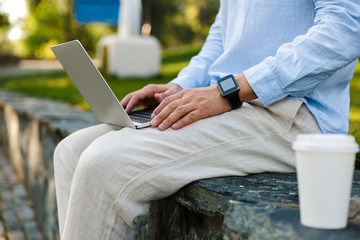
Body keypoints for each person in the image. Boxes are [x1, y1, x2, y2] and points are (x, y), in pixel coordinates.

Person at [54, 0, 360, 239]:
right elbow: (223, 37)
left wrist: (230, 91)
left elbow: (346, 30)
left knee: (104, 163)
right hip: (230, 100)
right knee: (71, 152)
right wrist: (179, 87)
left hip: (291, 112)